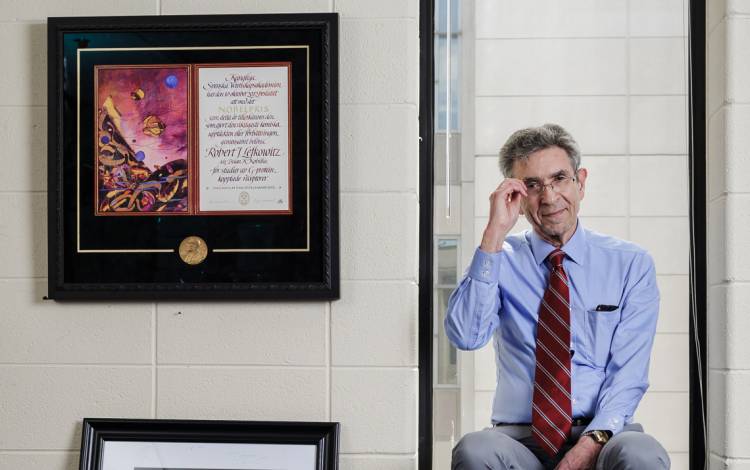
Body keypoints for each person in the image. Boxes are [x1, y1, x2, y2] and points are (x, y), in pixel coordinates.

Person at [445, 124, 670, 470]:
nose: (549, 198)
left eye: (560, 178)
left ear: (580, 182)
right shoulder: (498, 260)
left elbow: (628, 374)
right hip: (520, 440)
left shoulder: (630, 264)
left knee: (642, 453)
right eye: (532, 186)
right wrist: (493, 234)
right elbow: (465, 336)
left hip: (603, 435)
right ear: (517, 199)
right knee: (475, 450)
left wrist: (589, 445)